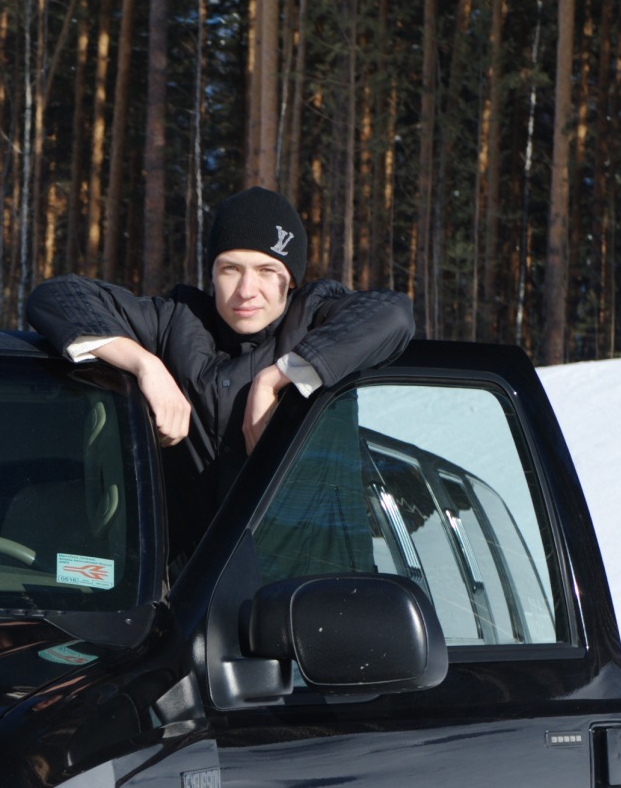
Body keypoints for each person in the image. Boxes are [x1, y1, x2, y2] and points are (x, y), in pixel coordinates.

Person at [23, 187, 414, 546]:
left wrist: (275, 379)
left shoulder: (314, 318)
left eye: (266, 271)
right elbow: (57, 295)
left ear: (291, 280)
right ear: (211, 273)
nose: (246, 291)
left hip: (307, 585)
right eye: (230, 269)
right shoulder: (176, 323)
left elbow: (393, 315)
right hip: (187, 586)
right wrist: (146, 365)